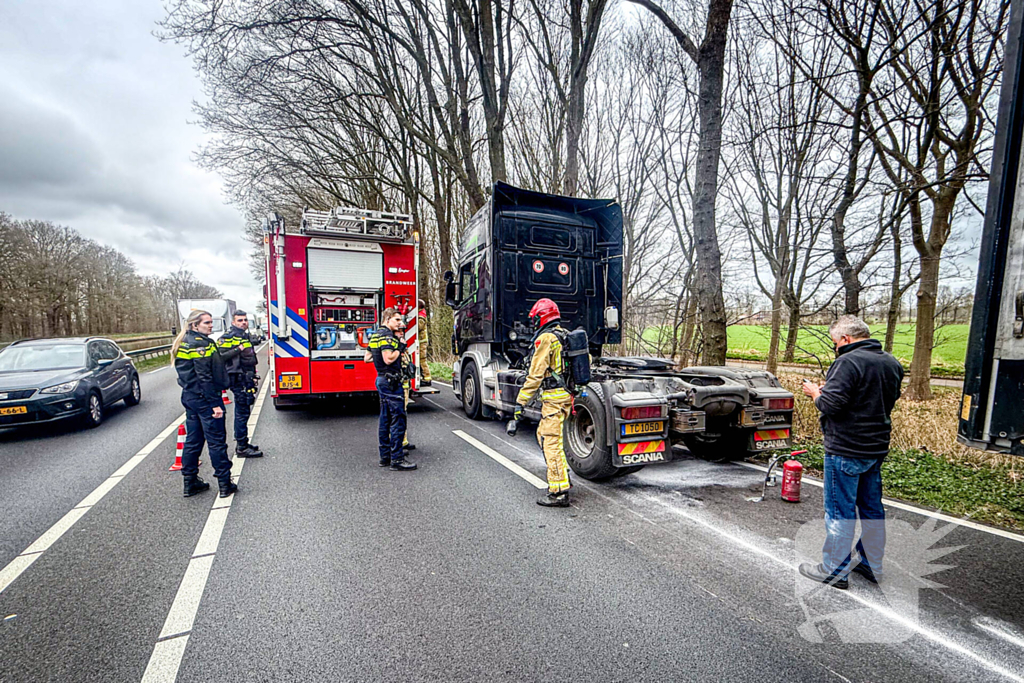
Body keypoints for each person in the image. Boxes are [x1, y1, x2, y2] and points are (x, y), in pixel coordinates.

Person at [799, 315, 903, 589]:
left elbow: (831, 406)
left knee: (839, 511)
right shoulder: (891, 362)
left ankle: (835, 570)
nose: (835, 348)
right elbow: (876, 398)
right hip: (875, 446)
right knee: (871, 508)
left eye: (836, 342)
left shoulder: (847, 361)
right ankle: (870, 563)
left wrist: (815, 393)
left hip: (846, 447)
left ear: (845, 339)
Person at [172, 309, 238, 498]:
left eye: (211, 322)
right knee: (217, 442)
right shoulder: (199, 345)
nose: (210, 325)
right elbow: (204, 377)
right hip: (205, 398)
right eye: (206, 323)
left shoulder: (186, 342)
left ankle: (190, 482)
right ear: (195, 325)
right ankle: (225, 484)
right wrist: (215, 404)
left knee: (193, 441)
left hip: (190, 397)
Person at [515, 298, 572, 507]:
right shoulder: (563, 335)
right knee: (544, 435)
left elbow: (535, 375)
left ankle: (558, 491)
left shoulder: (546, 339)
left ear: (541, 317)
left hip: (554, 398)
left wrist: (520, 402)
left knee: (550, 441)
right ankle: (562, 472)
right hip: (565, 395)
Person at [366, 308, 417, 471]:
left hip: (381, 379)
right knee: (398, 419)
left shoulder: (375, 335)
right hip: (391, 381)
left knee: (385, 419)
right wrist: (400, 347)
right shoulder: (388, 336)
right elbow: (388, 359)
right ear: (387, 319)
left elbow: (367, 358)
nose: (400, 323)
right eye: (397, 320)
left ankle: (385, 457)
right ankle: (397, 459)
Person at [220, 310, 263, 458]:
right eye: (239, 320)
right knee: (242, 412)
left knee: (245, 410)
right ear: (233, 322)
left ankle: (243, 442)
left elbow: (249, 359)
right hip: (238, 379)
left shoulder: (244, 335)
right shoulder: (229, 337)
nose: (243, 322)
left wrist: (253, 375)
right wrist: (237, 349)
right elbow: (220, 356)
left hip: (246, 377)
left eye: (245, 320)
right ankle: (242, 447)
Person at [418, 299, 432, 386]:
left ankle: (427, 378)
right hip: (421, 341)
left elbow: (418, 327)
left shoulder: (421, 317)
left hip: (422, 342)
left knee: (422, 360)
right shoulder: (421, 314)